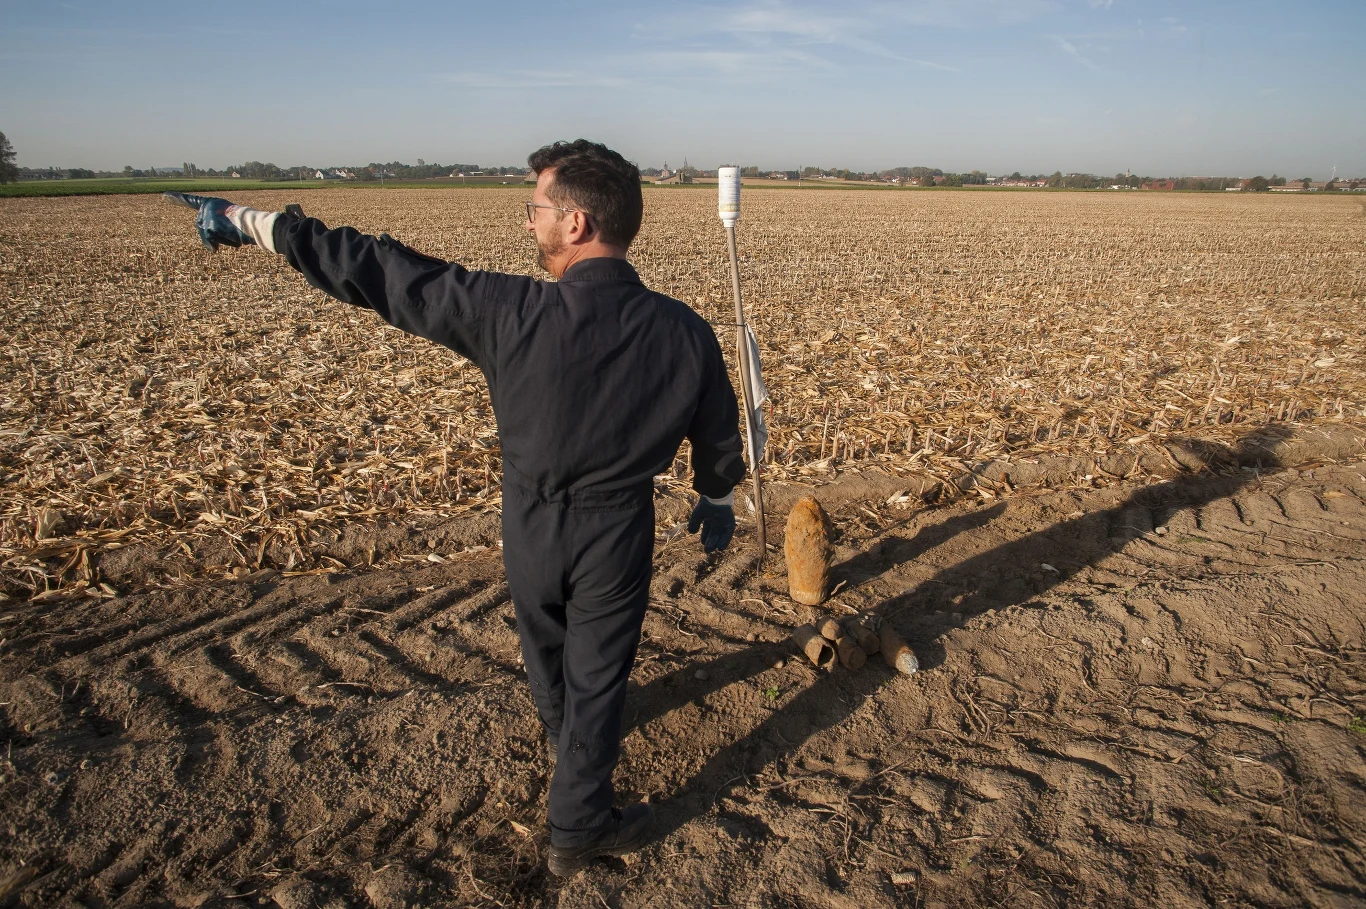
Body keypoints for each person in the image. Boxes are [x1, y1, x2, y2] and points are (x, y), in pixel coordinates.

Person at [165, 139, 746, 876]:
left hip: (529, 524)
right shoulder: (684, 330)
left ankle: (563, 744)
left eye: (535, 210)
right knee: (600, 672)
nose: (527, 224)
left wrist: (245, 220)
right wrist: (717, 492)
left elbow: (380, 270)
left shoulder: (510, 310)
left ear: (575, 224)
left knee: (548, 650)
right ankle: (578, 818)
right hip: (617, 529)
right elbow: (719, 425)